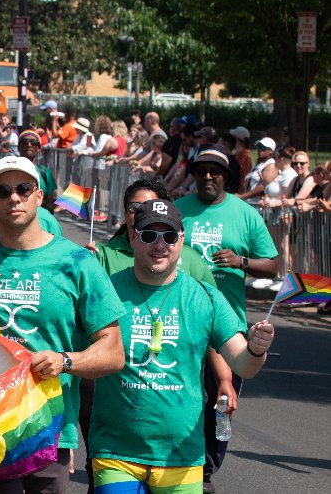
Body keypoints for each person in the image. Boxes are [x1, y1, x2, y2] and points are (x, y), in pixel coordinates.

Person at [0, 156, 126, 493]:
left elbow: (113, 351)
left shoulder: (78, 262)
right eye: (3, 190)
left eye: (24, 189)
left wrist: (65, 361)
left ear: (39, 196)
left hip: (47, 431)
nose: (14, 197)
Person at [90, 198, 275, 494]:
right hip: (116, 452)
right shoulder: (106, 292)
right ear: (133, 236)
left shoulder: (205, 297)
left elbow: (244, 365)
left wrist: (256, 349)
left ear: (181, 239)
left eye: (169, 236)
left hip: (182, 456)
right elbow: (75, 354)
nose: (159, 245)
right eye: (149, 235)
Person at [174, 148, 278, 488]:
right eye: (201, 170)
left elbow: (272, 264)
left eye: (215, 171)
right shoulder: (178, 209)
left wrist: (241, 262)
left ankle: (206, 467)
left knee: (220, 399)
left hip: (227, 325)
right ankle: (180, 462)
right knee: (180, 394)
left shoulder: (245, 215)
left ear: (226, 176)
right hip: (181, 318)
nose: (207, 176)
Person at [91, 178, 218, 283]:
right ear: (125, 213)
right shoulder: (102, 256)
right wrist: (83, 262)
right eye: (135, 207)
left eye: (149, 206)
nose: (140, 214)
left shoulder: (190, 258)